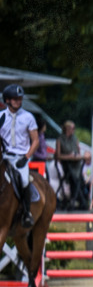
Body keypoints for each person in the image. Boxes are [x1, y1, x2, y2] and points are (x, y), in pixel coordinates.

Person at [0, 84, 40, 227]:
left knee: (24, 180)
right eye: (14, 99)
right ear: (7, 100)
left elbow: (35, 141)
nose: (18, 101)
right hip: (4, 157)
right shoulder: (1, 116)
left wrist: (26, 157)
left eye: (19, 99)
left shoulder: (28, 117)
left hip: (20, 158)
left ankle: (27, 213)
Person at [55, 120, 90, 210]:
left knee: (78, 180)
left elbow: (78, 152)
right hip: (67, 165)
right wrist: (69, 156)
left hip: (76, 164)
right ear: (67, 129)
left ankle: (79, 200)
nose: (73, 130)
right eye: (72, 128)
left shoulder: (75, 139)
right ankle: (75, 201)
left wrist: (78, 156)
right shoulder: (60, 140)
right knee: (74, 179)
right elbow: (58, 156)